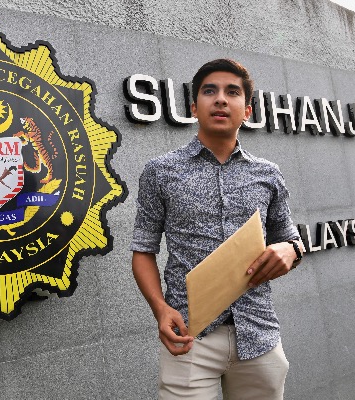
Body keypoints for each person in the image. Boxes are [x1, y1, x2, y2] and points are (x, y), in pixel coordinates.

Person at [130, 59, 305, 400]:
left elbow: (291, 241)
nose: (221, 99)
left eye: (232, 92)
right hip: (189, 336)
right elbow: (143, 250)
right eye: (210, 91)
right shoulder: (160, 171)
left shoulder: (268, 174)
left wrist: (291, 250)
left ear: (247, 111)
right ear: (194, 108)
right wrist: (160, 309)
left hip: (259, 334)